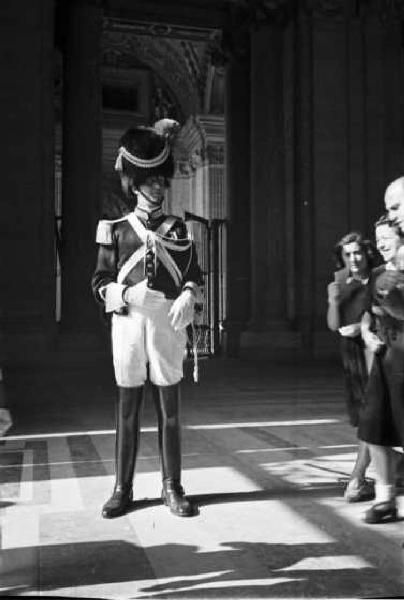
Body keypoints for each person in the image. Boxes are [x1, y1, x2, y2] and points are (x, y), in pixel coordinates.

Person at [92, 119, 203, 519]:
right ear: (135, 182)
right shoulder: (115, 229)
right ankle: (122, 488)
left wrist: (189, 295)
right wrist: (124, 293)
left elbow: (193, 275)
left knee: (170, 410)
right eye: (151, 180)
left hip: (166, 323)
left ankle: (172, 486)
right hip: (127, 322)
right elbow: (100, 281)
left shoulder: (179, 228)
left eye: (161, 180)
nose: (159, 186)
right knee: (127, 410)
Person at [327, 232, 380, 502]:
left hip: (375, 349)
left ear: (366, 253)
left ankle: (357, 479)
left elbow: (381, 311)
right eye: (347, 254)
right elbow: (334, 325)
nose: (353, 259)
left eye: (357, 252)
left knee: (374, 414)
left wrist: (363, 327)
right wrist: (334, 302)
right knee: (365, 415)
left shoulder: (378, 277)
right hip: (351, 353)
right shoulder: (338, 281)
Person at [358, 216, 404, 523]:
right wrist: (366, 332)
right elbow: (366, 315)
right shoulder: (376, 273)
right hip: (384, 358)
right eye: (378, 239)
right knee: (374, 427)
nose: (381, 243)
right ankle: (385, 498)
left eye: (387, 237)